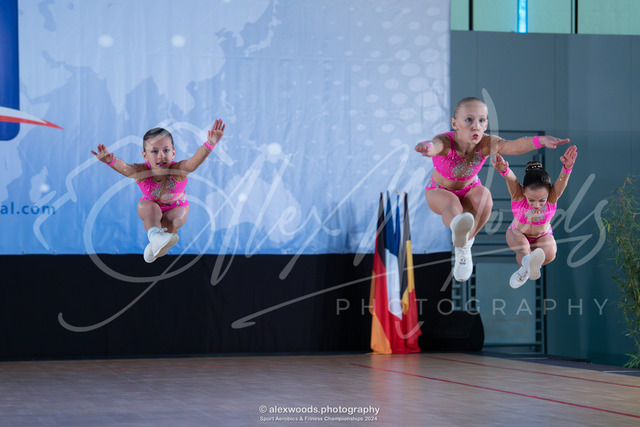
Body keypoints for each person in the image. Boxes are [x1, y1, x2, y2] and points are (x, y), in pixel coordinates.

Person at [415, 97, 570, 282]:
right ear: (454, 123)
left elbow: (513, 146)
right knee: (451, 202)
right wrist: (428, 147)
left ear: (486, 124)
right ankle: (458, 230)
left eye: (481, 120)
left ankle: (465, 244)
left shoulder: (486, 143)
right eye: (469, 120)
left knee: (485, 195)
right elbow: (435, 146)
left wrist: (540, 141)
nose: (476, 126)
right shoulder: (446, 141)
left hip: (469, 188)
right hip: (439, 191)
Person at [91, 119, 226, 263]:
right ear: (145, 155)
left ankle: (155, 246)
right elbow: (126, 168)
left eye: (166, 150)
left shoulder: (178, 170)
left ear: (173, 153)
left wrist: (209, 145)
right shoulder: (142, 171)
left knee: (173, 219)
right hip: (151, 206)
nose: (161, 155)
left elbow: (193, 162)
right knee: (149, 207)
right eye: (154, 151)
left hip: (176, 207)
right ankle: (155, 236)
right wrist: (111, 161)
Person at [492, 145, 577, 288]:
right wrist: (504, 170)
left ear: (549, 193)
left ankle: (526, 269)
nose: (536, 205)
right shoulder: (518, 196)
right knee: (523, 248)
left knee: (550, 253)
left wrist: (567, 168)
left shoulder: (552, 198)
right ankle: (527, 262)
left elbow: (562, 182)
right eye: (531, 200)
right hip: (518, 233)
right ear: (524, 192)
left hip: (542, 235)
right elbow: (512, 180)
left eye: (542, 200)